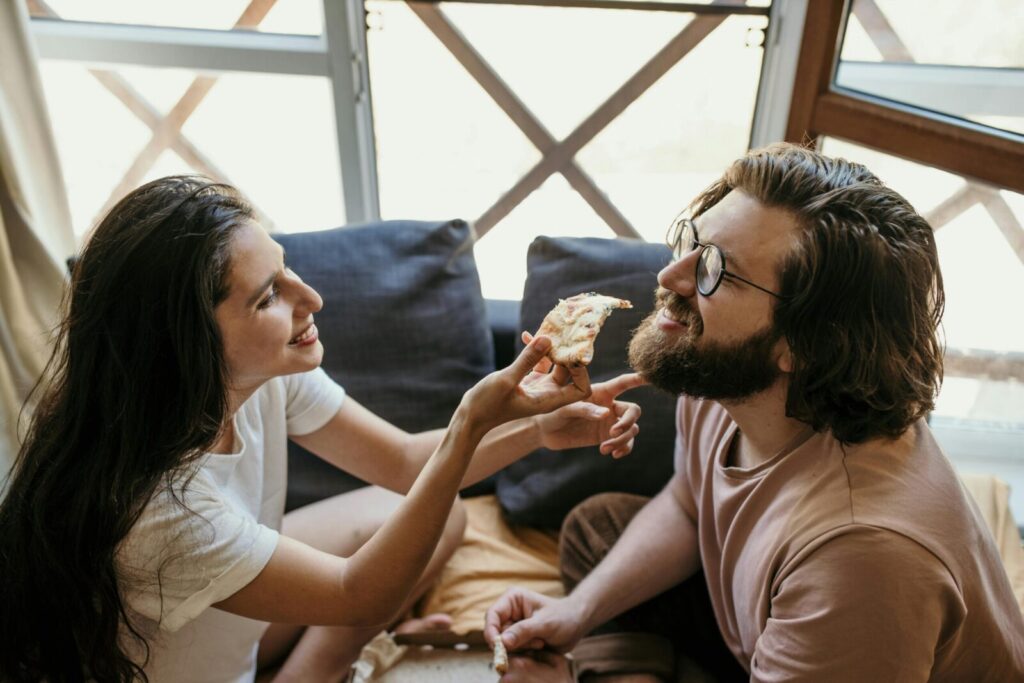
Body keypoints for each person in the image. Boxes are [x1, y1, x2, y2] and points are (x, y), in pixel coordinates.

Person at [0, 175, 646, 683]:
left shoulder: (259, 375)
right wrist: (474, 417)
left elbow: (404, 462)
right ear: (186, 344)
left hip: (225, 623)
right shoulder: (159, 513)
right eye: (267, 296)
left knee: (439, 516)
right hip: (203, 653)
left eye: (285, 269)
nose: (310, 299)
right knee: (403, 554)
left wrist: (536, 429)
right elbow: (359, 590)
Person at [485, 143, 1024, 682]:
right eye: (692, 240)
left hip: (838, 622)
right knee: (597, 526)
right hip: (768, 627)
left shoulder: (861, 555)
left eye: (716, 270)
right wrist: (575, 612)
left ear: (806, 344)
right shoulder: (733, 379)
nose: (671, 276)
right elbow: (690, 504)